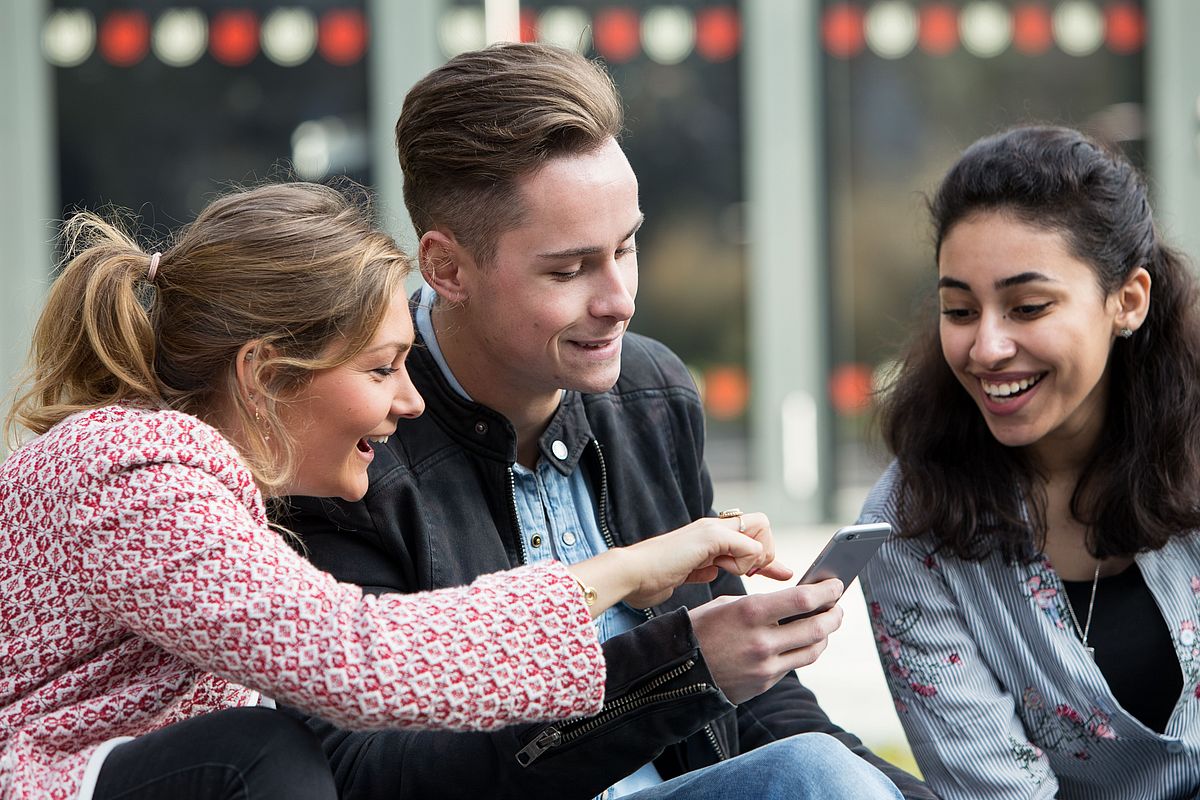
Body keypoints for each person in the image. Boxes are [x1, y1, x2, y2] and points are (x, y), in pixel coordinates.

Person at [280, 42, 929, 800]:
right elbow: (372, 778)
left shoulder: (653, 392)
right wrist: (681, 670)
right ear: (447, 268)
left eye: (627, 247)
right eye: (569, 269)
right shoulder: (347, 440)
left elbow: (760, 707)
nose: (619, 299)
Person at [0, 181, 792, 800]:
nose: (410, 401)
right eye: (381, 369)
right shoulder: (132, 474)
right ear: (265, 375)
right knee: (261, 759)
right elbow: (360, 658)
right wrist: (623, 571)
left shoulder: (180, 477)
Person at [858, 124, 1200, 799]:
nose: (986, 348)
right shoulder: (909, 530)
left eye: (1028, 307)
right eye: (960, 310)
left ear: (1128, 300)